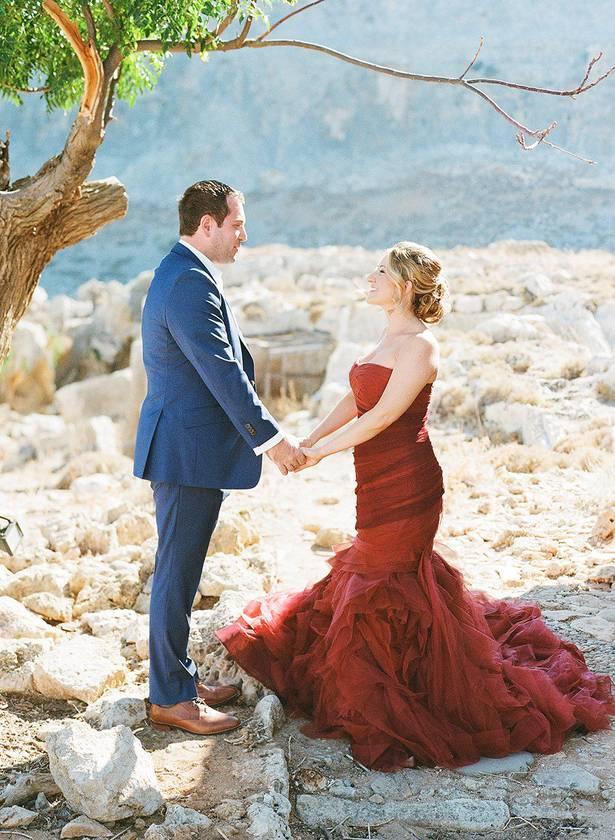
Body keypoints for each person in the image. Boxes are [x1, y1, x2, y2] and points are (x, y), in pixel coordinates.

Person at [217, 241, 615, 771]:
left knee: (384, 577)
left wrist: (316, 455)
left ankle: (408, 693)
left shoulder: (421, 347)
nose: (370, 277)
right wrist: (307, 441)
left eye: (380, 272)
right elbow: (355, 400)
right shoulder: (388, 335)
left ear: (405, 285)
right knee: (382, 576)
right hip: (372, 479)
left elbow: (381, 418)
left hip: (408, 482)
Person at [133, 179, 306, 735]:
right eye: (237, 225)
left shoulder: (187, 274)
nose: (244, 236)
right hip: (185, 452)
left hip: (191, 450)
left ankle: (178, 680)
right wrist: (271, 439)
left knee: (182, 572)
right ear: (206, 224)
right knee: (176, 574)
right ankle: (169, 699)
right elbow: (220, 370)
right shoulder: (186, 281)